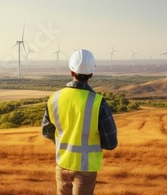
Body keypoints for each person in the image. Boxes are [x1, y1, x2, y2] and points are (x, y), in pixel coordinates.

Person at [42, 49, 118, 195]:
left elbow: (46, 131)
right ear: (91, 74)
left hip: (62, 165)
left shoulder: (54, 98)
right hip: (86, 169)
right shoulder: (98, 102)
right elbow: (111, 143)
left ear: (71, 72)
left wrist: (65, 140)